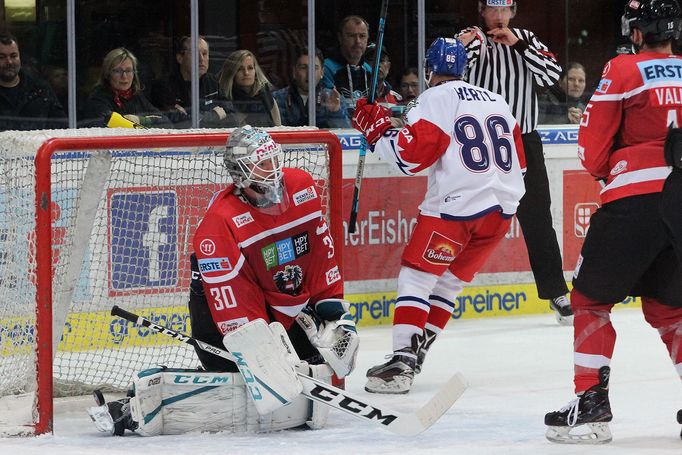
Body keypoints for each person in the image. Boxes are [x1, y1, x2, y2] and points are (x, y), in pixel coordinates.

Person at [89, 126, 359, 436]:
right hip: (220, 311)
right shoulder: (219, 224)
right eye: (261, 163)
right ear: (241, 173)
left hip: (276, 307)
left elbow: (319, 257)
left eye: (272, 159)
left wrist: (337, 316)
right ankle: (139, 403)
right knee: (247, 381)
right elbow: (237, 301)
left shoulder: (302, 187)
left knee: (309, 370)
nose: (271, 170)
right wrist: (266, 354)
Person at [352, 37, 526, 394]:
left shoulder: (433, 98)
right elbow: (520, 164)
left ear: (430, 70)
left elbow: (410, 158)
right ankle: (419, 349)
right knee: (448, 283)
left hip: (455, 211)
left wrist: (377, 131)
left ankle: (402, 359)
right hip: (502, 211)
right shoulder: (497, 100)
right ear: (464, 68)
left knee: (417, 278)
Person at [544, 0, 682, 444]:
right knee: (670, 309)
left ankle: (589, 405)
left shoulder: (623, 68)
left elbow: (592, 147)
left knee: (588, 300)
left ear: (638, 32)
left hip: (636, 200)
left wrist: (612, 170)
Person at [457, 0, 571, 325]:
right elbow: (453, 70)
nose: (499, 17)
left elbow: (552, 75)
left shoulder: (527, 39)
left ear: (513, 11)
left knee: (538, 220)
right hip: (481, 146)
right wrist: (474, 43)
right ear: (482, 10)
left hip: (525, 141)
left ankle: (556, 292)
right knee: (461, 218)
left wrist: (519, 45)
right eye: (493, 10)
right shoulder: (470, 36)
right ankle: (438, 289)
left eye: (504, 10)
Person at [81, 47, 172, 128]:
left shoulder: (136, 96)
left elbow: (166, 123)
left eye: (128, 71)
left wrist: (140, 120)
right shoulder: (97, 99)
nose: (124, 76)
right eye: (118, 71)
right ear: (107, 74)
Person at [151, 36, 229, 128]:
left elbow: (231, 116)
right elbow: (178, 124)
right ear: (180, 58)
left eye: (205, 54)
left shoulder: (212, 81)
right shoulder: (165, 86)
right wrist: (214, 116)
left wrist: (202, 119)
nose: (201, 59)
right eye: (195, 54)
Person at [0, 32, 66, 131]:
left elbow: (62, 128)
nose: (9, 62)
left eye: (14, 56)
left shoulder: (40, 90)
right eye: (2, 57)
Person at [272, 46, 351, 128]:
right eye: (303, 67)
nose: (309, 73)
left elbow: (347, 134)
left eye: (314, 68)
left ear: (322, 73)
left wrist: (335, 112)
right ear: (294, 72)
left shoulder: (333, 98)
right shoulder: (277, 99)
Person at [217, 50, 281, 127]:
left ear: (255, 71)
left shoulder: (267, 98)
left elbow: (277, 129)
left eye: (250, 68)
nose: (246, 73)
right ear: (232, 73)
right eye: (240, 69)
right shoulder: (225, 102)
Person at [322, 15, 372, 110]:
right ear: (340, 37)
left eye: (362, 36)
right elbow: (328, 111)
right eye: (351, 36)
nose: (357, 41)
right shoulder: (326, 68)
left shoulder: (369, 70)